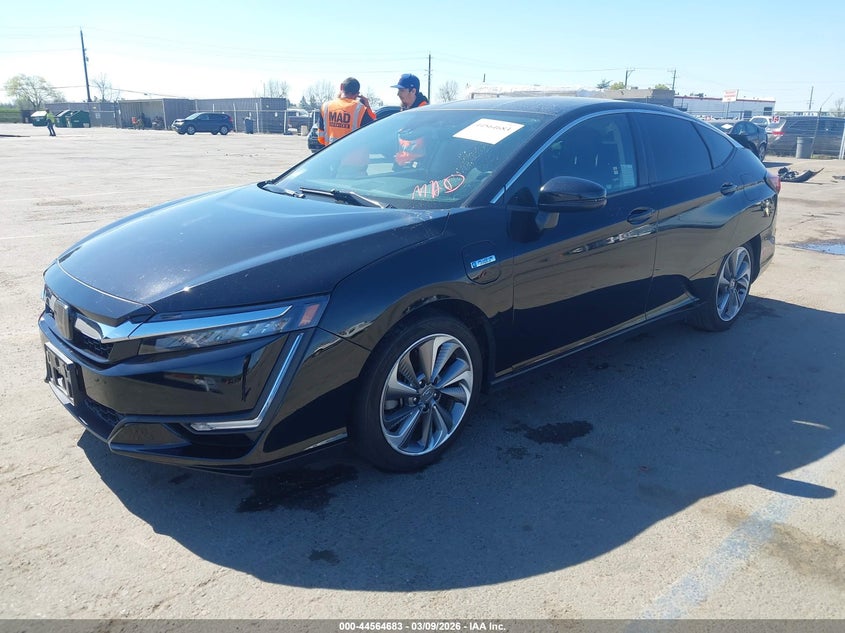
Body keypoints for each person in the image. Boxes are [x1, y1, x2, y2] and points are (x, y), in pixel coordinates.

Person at [317, 77, 376, 146]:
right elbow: (373, 131)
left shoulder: (326, 106)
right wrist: (368, 106)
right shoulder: (361, 109)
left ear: (341, 87)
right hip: (351, 154)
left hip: (331, 153)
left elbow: (321, 138)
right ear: (357, 94)